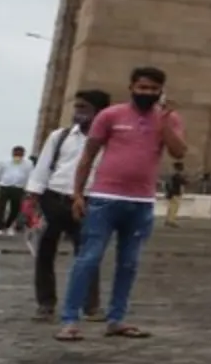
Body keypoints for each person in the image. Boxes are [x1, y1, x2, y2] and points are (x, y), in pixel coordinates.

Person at [58, 68, 187, 343]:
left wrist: (164, 121)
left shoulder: (168, 119)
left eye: (153, 89)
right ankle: (69, 320)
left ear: (161, 91)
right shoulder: (110, 115)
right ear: (131, 87)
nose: (147, 93)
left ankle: (116, 319)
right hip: (105, 198)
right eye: (143, 88)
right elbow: (87, 156)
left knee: (129, 263)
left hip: (141, 202)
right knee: (89, 258)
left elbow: (179, 152)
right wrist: (78, 194)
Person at [24, 91, 109, 320]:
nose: (78, 113)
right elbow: (42, 168)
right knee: (44, 253)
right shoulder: (60, 136)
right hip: (53, 198)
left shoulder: (108, 142)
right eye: (77, 107)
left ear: (99, 113)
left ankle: (90, 305)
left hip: (88, 202)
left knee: (88, 255)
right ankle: (46, 304)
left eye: (84, 108)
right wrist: (32, 199)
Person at [0, 145, 28, 236]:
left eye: (20, 155)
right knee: (0, 209)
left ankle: (8, 226)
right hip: (5, 187)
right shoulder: (5, 162)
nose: (18, 157)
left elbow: (30, 177)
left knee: (15, 209)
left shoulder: (28, 164)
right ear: (12, 154)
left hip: (18, 189)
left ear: (23, 155)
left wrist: (29, 190)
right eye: (16, 154)